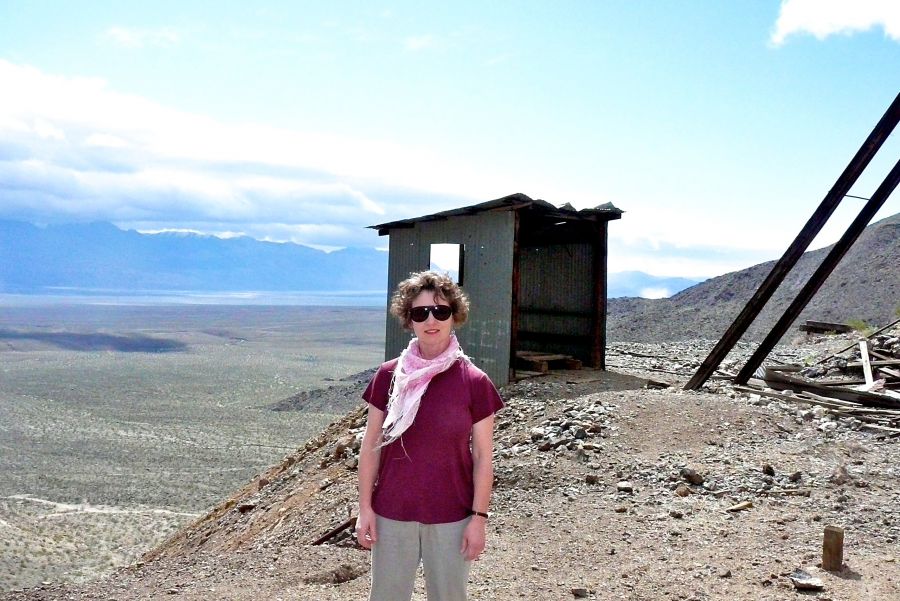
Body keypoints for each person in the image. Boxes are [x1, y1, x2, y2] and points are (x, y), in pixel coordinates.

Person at [356, 270, 504, 601]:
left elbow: (482, 457)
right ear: (409, 320)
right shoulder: (388, 376)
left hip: (453, 516)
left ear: (455, 315)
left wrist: (478, 520)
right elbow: (371, 446)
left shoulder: (474, 382)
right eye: (420, 313)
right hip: (392, 513)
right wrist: (365, 508)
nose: (431, 320)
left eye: (440, 311)